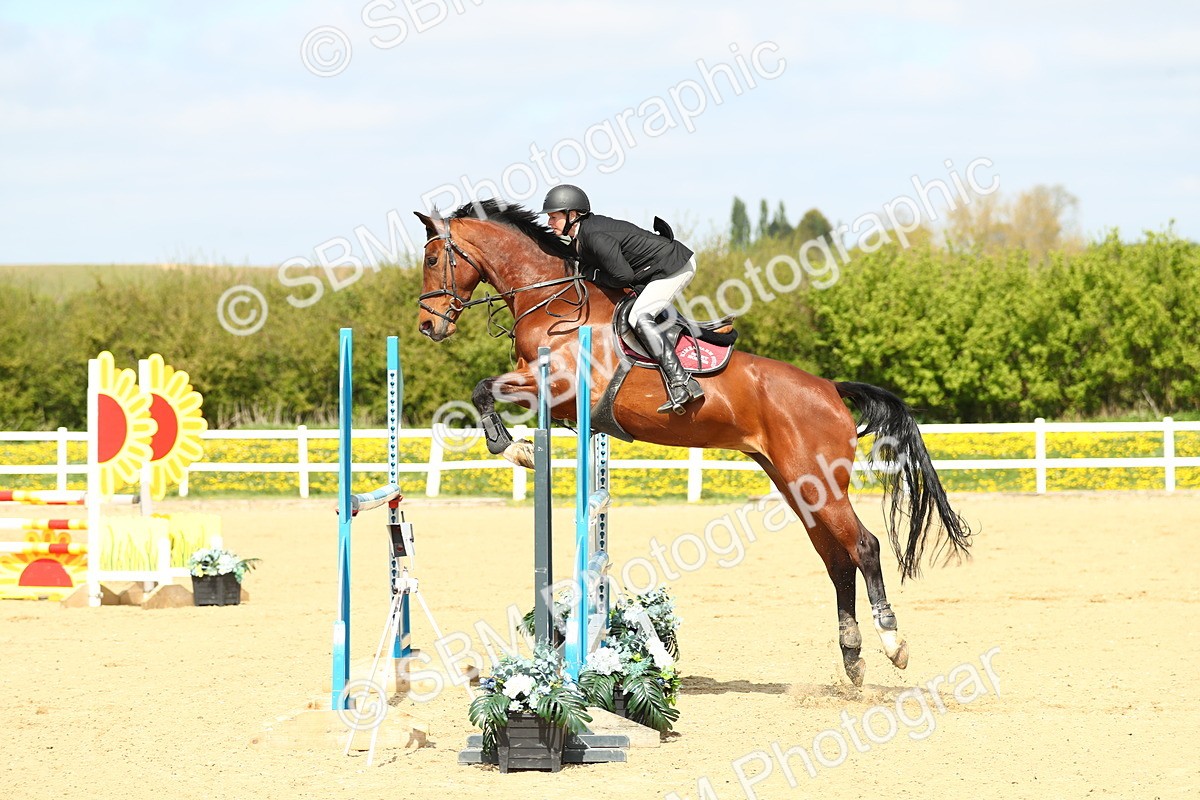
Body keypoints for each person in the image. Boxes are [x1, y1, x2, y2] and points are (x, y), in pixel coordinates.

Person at [540, 184, 704, 414]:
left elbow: (622, 276)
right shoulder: (581, 237)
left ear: (573, 215)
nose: (549, 223)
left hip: (674, 266)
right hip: (654, 268)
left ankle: (682, 383)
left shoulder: (594, 236)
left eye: (553, 217)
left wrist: (593, 274)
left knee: (639, 316)